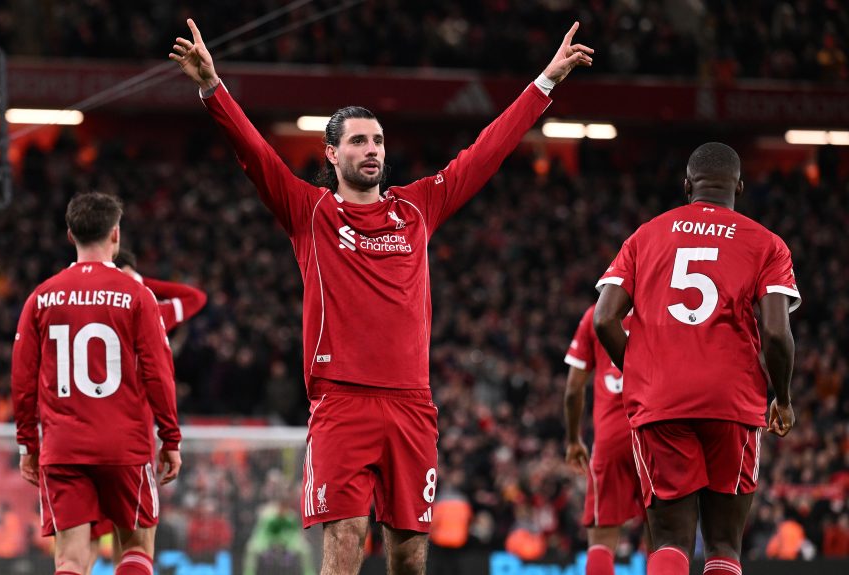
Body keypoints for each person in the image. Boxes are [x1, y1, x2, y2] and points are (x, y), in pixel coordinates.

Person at [170, 17, 593, 575]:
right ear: (331, 154)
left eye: (377, 140)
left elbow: (484, 153)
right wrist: (212, 87)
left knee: (410, 557)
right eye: (358, 141)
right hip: (341, 402)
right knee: (345, 542)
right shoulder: (310, 212)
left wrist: (545, 82)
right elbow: (256, 154)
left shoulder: (417, 208)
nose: (372, 150)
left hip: (412, 404)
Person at [593, 143, 799, 575]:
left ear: (687, 186)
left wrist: (641, 373)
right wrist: (782, 398)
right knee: (724, 544)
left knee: (670, 540)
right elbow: (777, 334)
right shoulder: (767, 244)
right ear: (739, 187)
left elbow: (604, 318)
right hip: (732, 401)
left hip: (661, 400)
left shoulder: (645, 235)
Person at [12, 192, 183, 575]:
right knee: (136, 548)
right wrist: (170, 438)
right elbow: (158, 372)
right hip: (125, 445)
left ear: (70, 235)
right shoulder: (137, 295)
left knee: (71, 559)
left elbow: (22, 380)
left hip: (63, 446)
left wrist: (27, 445)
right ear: (115, 234)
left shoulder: (41, 297)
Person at [85, 248, 207, 574]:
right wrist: (141, 282)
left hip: (85, 429)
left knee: (85, 544)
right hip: (129, 434)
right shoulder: (150, 309)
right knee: (134, 538)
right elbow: (194, 298)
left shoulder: (88, 309)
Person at [563, 305, 646, 575]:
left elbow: (573, 390)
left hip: (611, 437)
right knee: (664, 536)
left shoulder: (595, 314)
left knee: (601, 539)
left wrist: (573, 440)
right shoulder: (659, 306)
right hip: (653, 431)